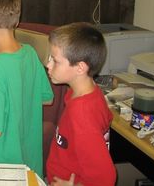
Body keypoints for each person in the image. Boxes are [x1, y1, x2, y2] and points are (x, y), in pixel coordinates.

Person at [0, 0, 54, 178]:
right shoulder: (29, 54)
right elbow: (47, 98)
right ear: (16, 22)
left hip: (1, 173)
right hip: (29, 168)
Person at [45, 22, 116, 186]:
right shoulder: (85, 92)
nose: (48, 65)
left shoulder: (82, 114)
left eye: (55, 61)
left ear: (80, 68)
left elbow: (105, 179)